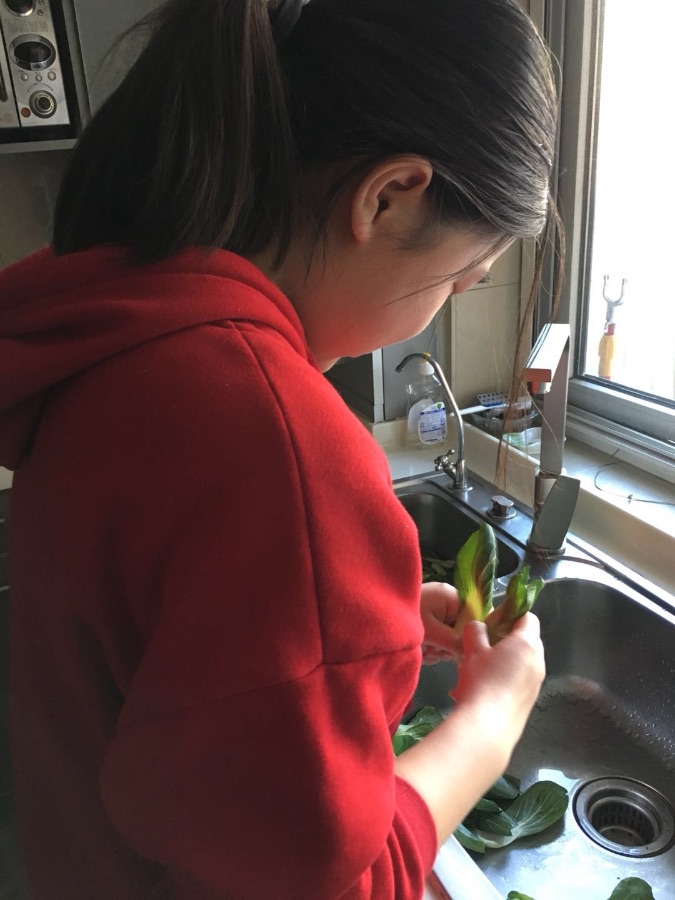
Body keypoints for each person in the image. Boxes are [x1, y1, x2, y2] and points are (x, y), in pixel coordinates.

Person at [0, 0, 555, 897]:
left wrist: (356, 625)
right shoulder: (275, 442)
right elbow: (342, 885)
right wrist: (492, 719)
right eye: (462, 278)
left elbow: (166, 655)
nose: (447, 299)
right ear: (386, 196)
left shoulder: (114, 341)